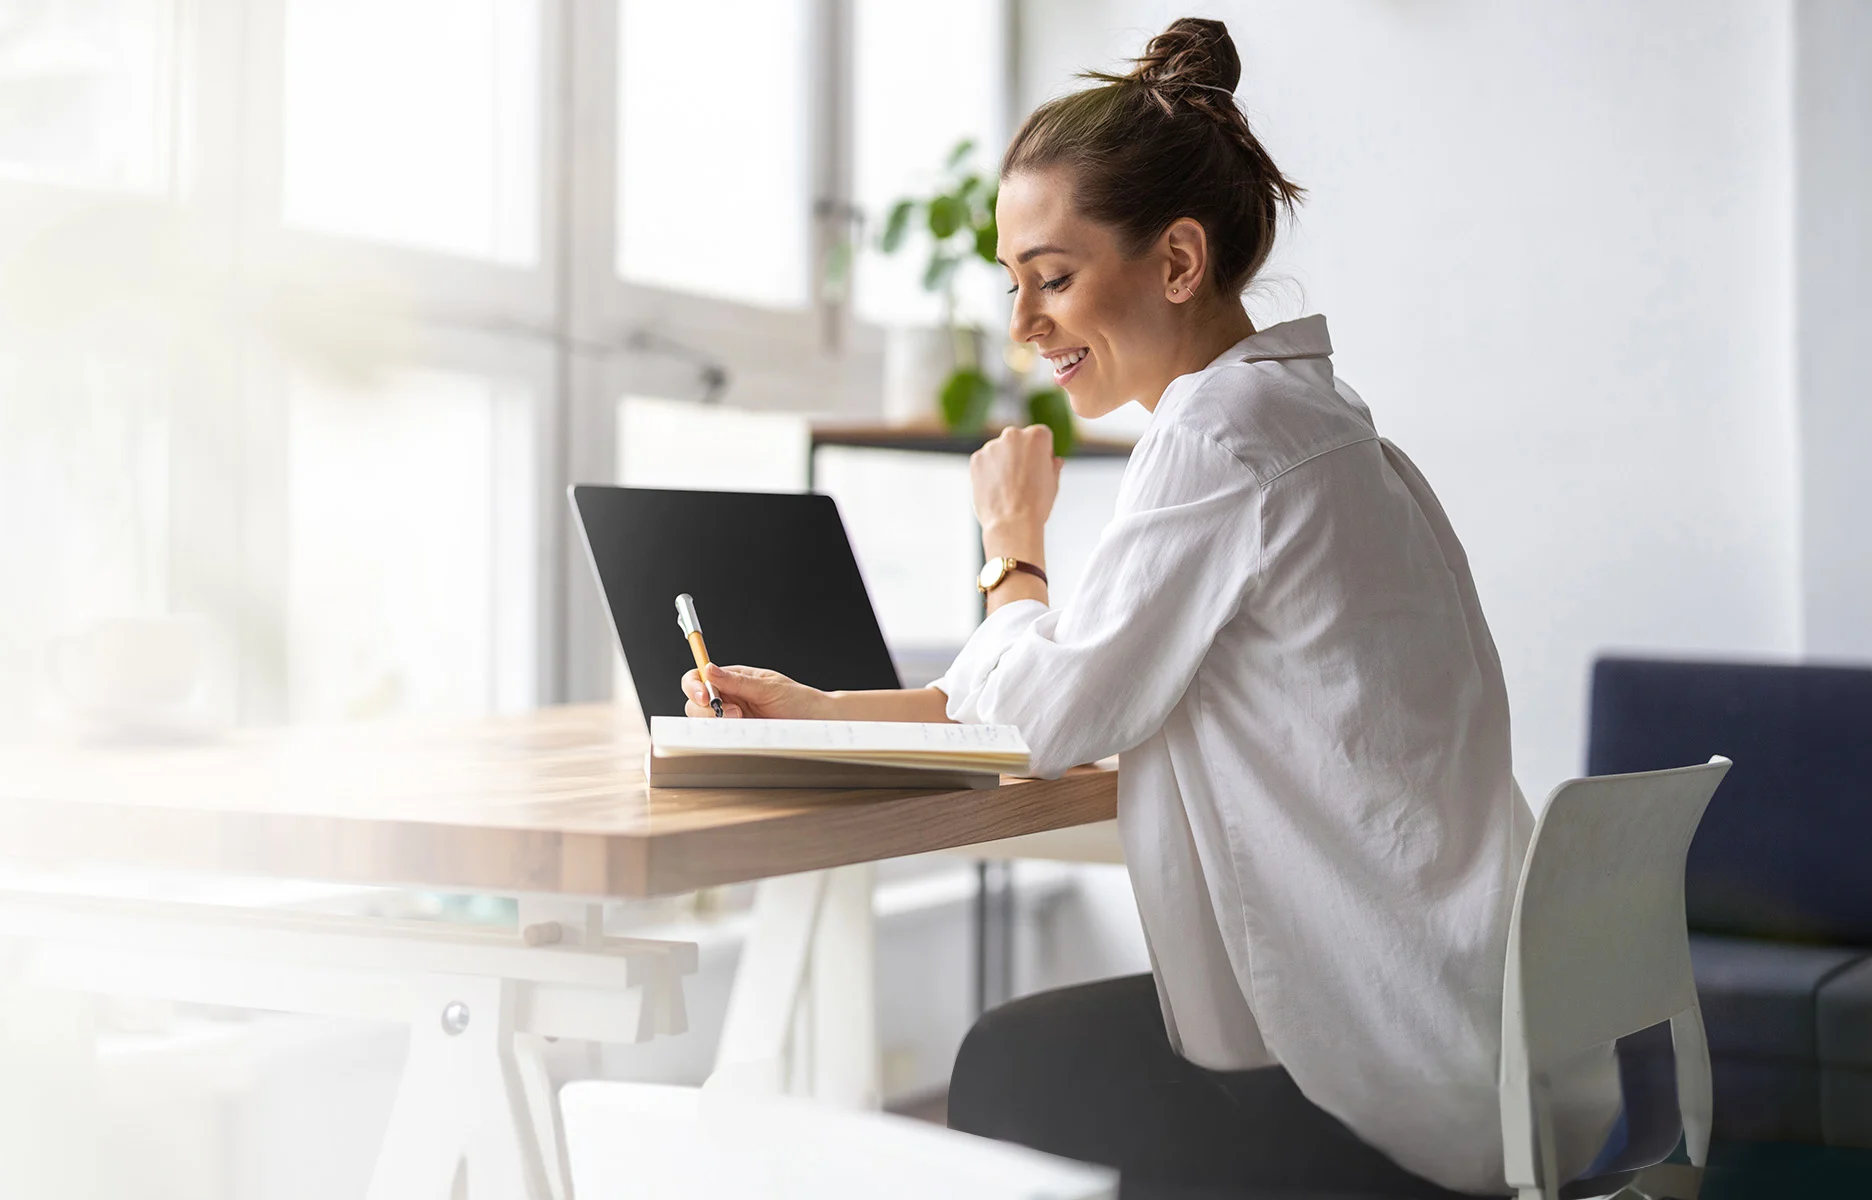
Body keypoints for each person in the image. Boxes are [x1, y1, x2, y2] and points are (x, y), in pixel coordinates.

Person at [678, 17, 1624, 1199]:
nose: (1026, 325)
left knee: (1010, 1065)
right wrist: (823, 709)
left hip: (1370, 1075)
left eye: (1054, 278)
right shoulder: (1316, 426)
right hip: (1463, 1032)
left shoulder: (1221, 436)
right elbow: (1065, 680)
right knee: (1032, 1057)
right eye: (1012, 284)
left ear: (1177, 263)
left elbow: (1046, 719)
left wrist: (1009, 548)